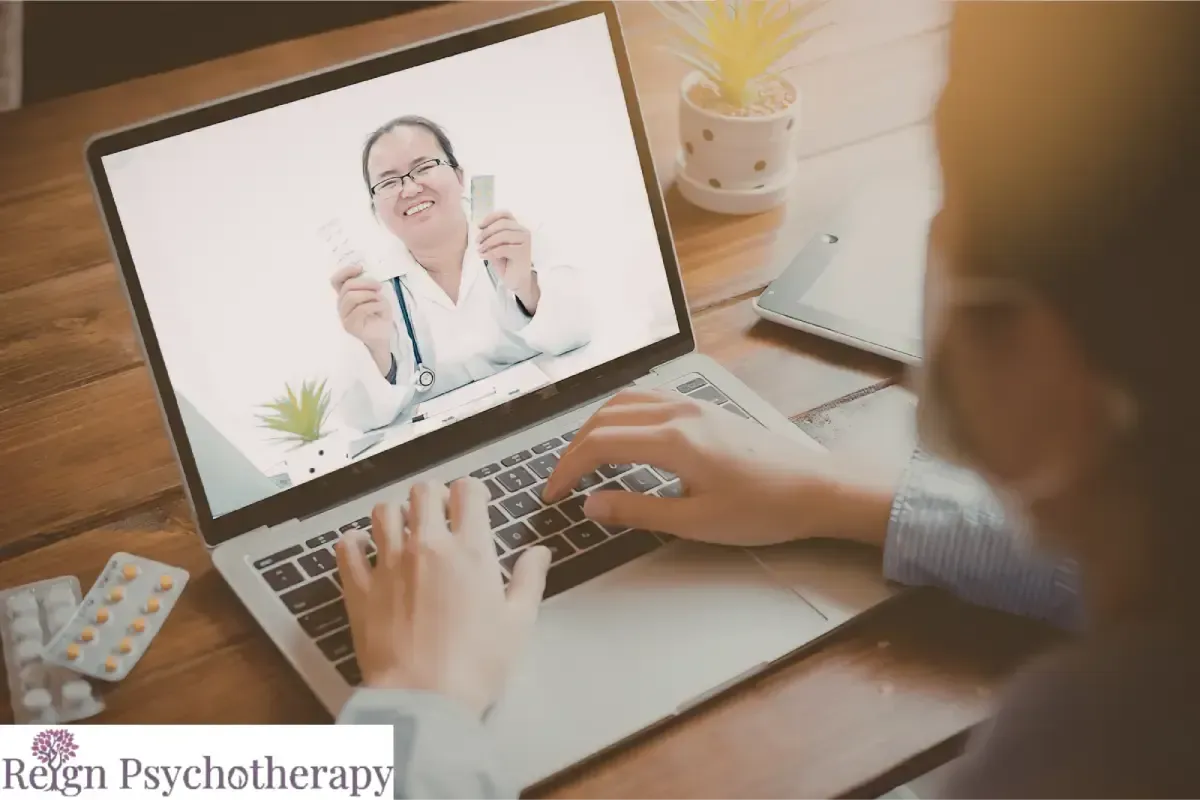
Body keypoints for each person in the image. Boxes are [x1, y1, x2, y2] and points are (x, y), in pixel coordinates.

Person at [332, 3, 1200, 798]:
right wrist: (845, 495)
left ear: (1020, 354)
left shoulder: (1073, 758)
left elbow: (564, 325)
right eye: (388, 179)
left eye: (944, 215)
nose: (410, 186)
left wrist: (418, 704)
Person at [332, 116, 591, 430]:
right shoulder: (369, 293)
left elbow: (581, 332)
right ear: (375, 208)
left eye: (424, 167)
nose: (410, 188)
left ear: (458, 175)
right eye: (388, 182)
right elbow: (362, 420)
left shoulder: (519, 236)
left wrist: (527, 286)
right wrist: (376, 349)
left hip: (554, 419)